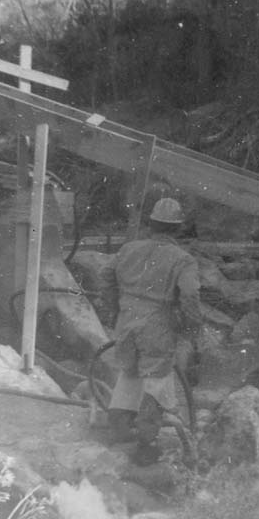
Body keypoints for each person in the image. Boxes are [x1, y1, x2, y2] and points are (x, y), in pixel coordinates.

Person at [102, 196, 201, 465]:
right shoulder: (183, 260)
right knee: (156, 380)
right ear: (178, 228)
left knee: (129, 373)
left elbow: (106, 274)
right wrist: (191, 329)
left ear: (151, 224)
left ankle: (118, 431)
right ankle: (146, 445)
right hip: (157, 324)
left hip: (127, 320)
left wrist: (114, 308)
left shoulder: (128, 249)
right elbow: (190, 295)